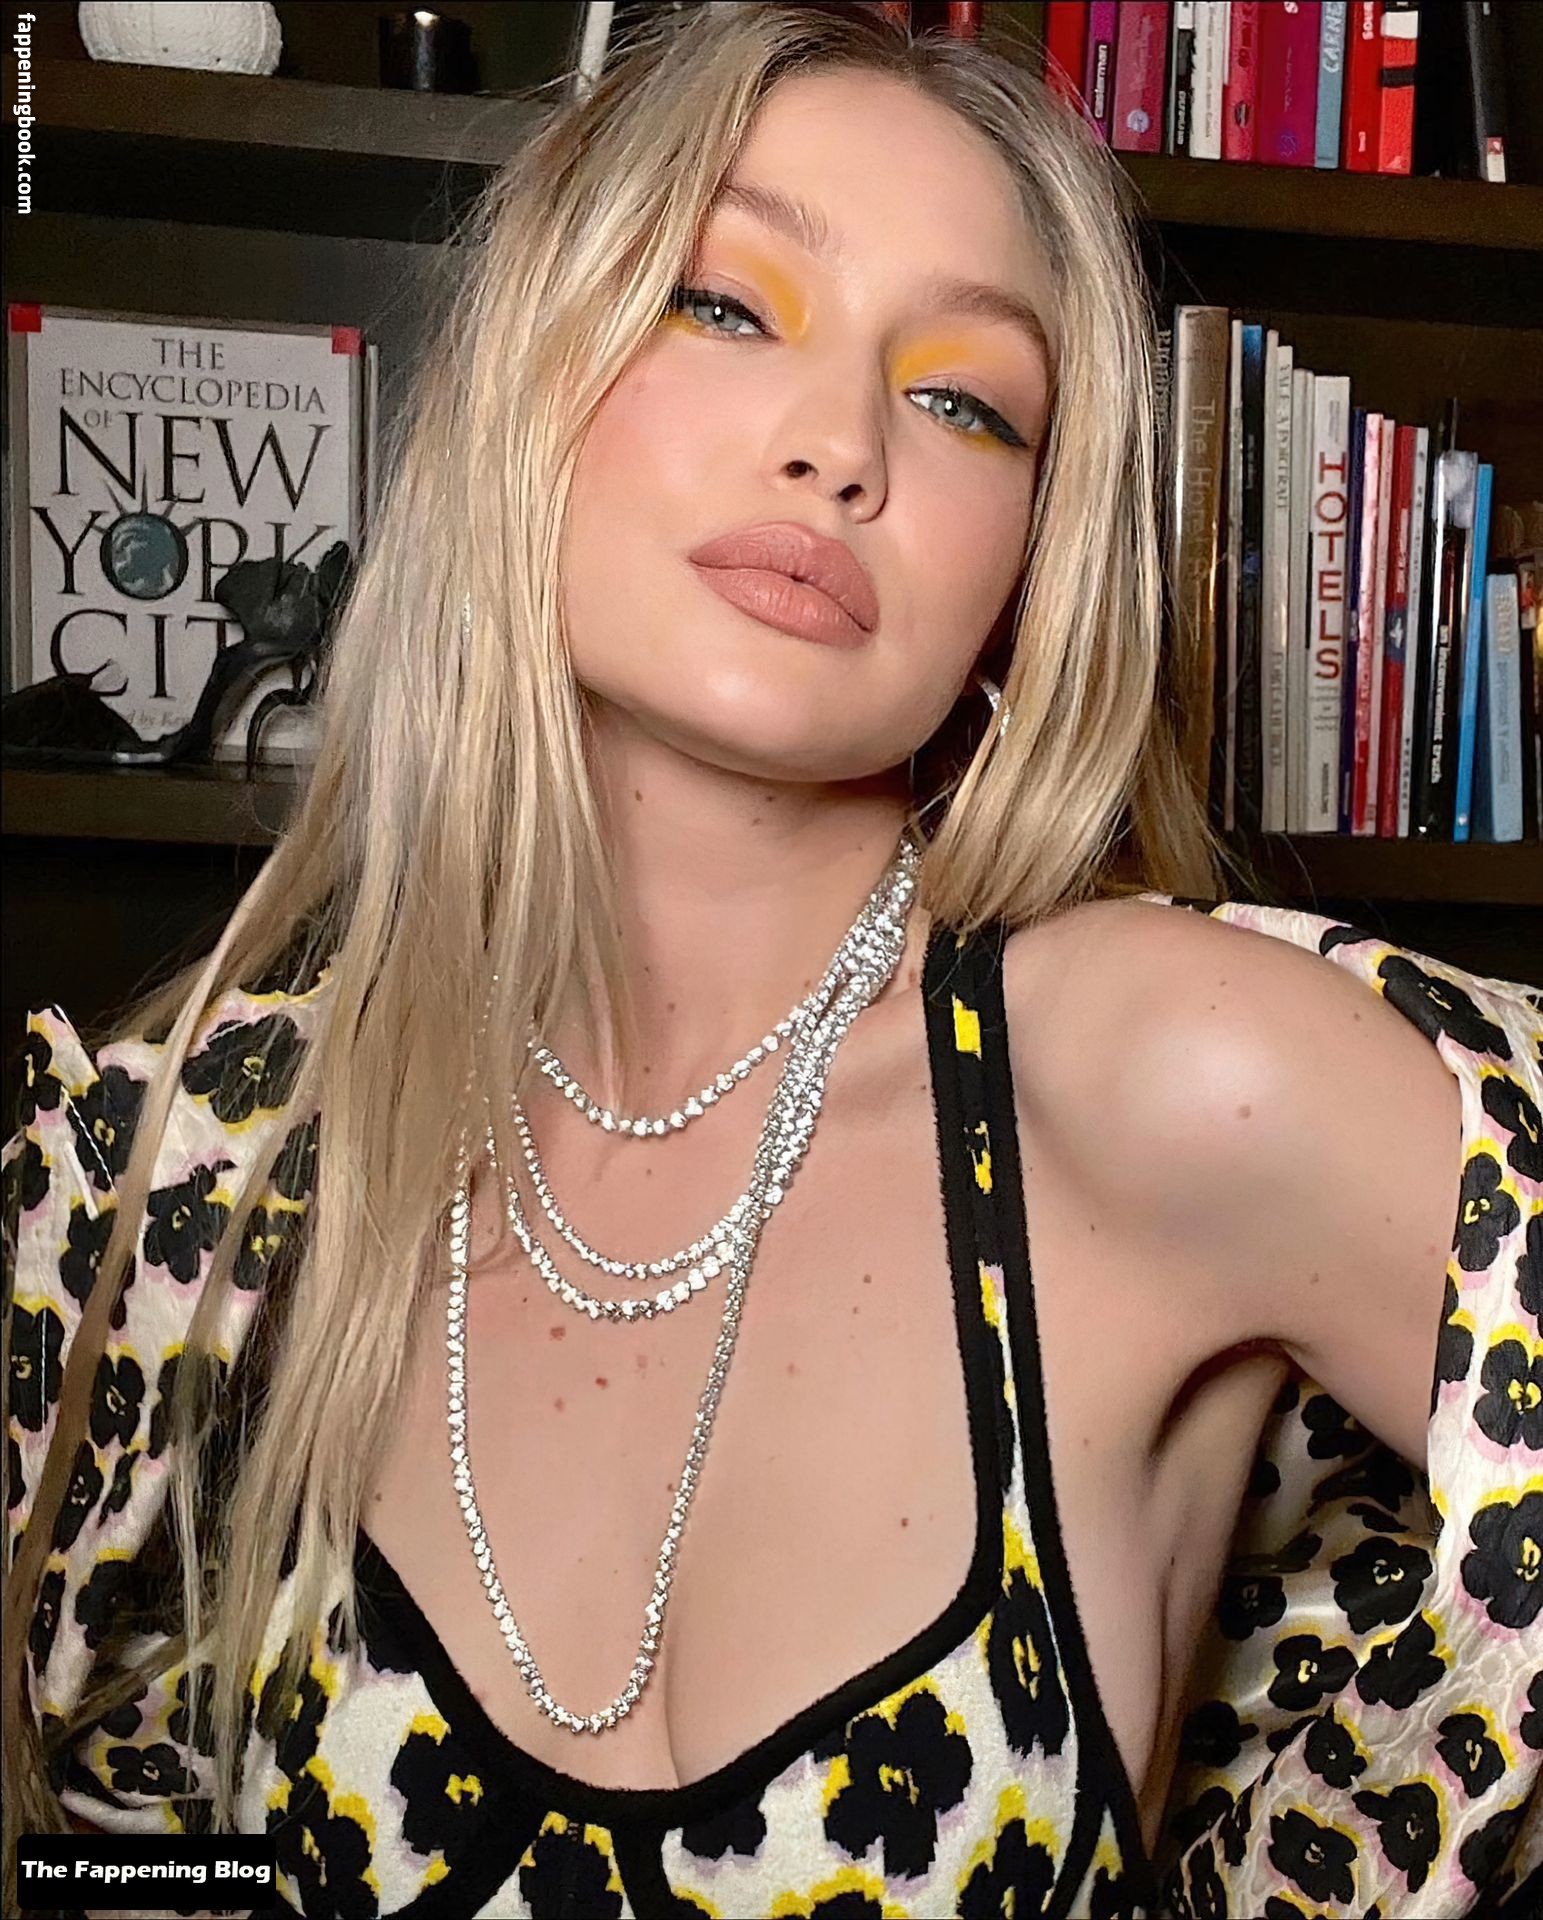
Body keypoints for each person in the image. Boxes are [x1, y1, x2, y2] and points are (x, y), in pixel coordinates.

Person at [3, 6, 1539, 1917]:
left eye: (966, 402)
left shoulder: (1165, 1079)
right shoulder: (189, 1184)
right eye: (726, 306)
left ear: (1028, 571)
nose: (841, 448)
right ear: (526, 381)